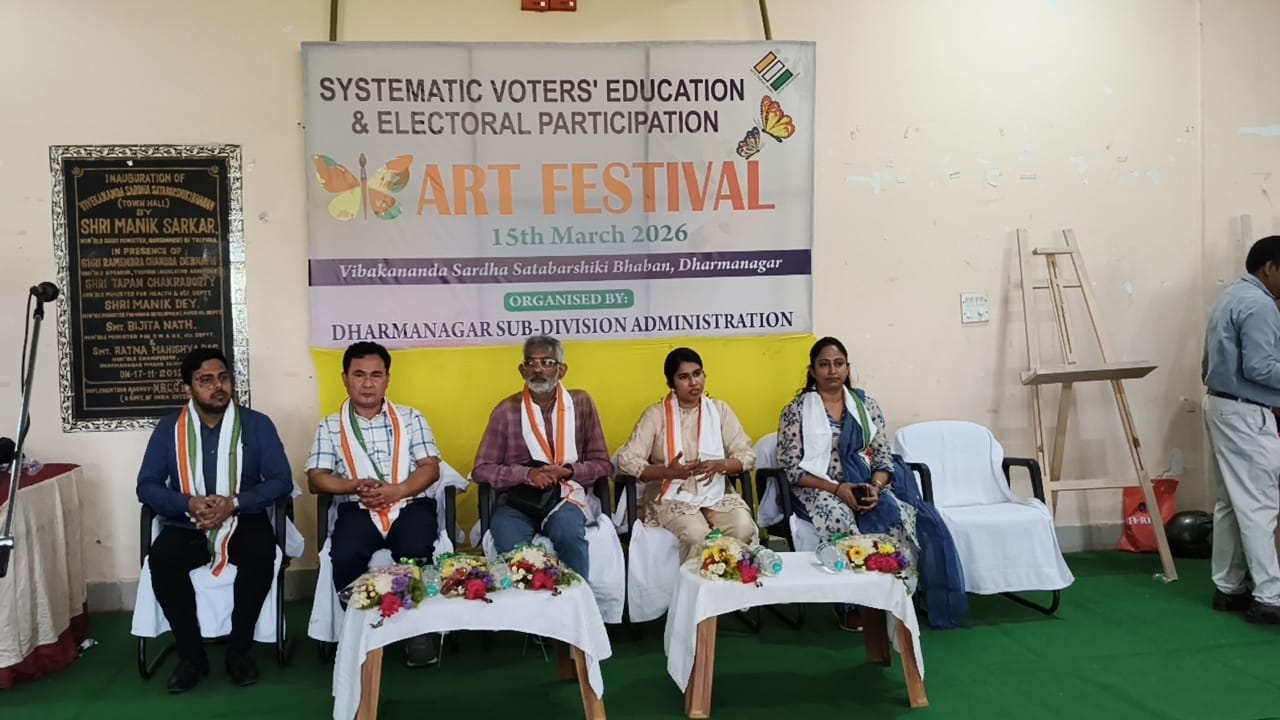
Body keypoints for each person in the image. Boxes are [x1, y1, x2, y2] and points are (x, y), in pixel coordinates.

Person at [136, 347, 293, 692]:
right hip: (186, 522)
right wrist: (187, 503)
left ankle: (240, 652)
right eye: (205, 380)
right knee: (162, 561)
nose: (217, 386)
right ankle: (191, 658)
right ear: (188, 388)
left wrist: (234, 503)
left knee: (260, 554)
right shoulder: (169, 429)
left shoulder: (257, 424)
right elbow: (146, 486)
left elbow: (282, 480)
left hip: (243, 518)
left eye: (223, 378)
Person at [305, 341, 444, 665]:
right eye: (359, 375)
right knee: (345, 554)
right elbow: (316, 478)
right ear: (345, 379)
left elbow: (430, 467)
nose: (367, 383)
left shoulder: (410, 418)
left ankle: (416, 632)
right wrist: (353, 485)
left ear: (387, 379)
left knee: (415, 549)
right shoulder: (331, 425)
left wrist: (398, 490)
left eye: (376, 375)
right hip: (359, 507)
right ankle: (359, 631)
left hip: (408, 503)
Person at [776, 337, 920, 632]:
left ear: (847, 367)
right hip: (816, 487)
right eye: (824, 364)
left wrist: (875, 488)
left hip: (863, 481)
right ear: (812, 371)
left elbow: (883, 457)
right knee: (838, 517)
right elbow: (790, 468)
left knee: (896, 516)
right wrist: (837, 489)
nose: (832, 370)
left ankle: (893, 596)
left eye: (838, 363)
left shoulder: (865, 406)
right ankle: (849, 605)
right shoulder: (796, 410)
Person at [472, 335, 612, 579]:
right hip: (518, 500)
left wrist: (568, 471)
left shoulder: (581, 403)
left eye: (547, 362)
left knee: (568, 533)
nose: (538, 370)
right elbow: (481, 469)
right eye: (531, 363)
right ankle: (526, 602)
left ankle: (576, 599)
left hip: (566, 495)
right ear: (521, 370)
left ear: (562, 370)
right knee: (510, 541)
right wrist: (527, 474)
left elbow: (603, 464)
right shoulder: (506, 410)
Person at [1201, 235, 1280, 624]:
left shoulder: (1229, 297)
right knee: (1259, 503)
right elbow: (1260, 367)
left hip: (1220, 404)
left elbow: (1207, 362)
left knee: (1230, 503)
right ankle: (1270, 596)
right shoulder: (1260, 305)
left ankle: (1229, 587)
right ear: (1269, 267)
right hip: (1247, 411)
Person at [615, 347, 757, 561]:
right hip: (671, 494)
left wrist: (722, 465)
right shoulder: (656, 415)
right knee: (696, 536)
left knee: (742, 527)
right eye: (684, 377)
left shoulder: (719, 410)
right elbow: (627, 459)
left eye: (697, 374)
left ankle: (729, 578)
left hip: (715, 491)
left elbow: (746, 454)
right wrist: (668, 472)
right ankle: (697, 582)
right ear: (670, 383)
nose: (693, 383)